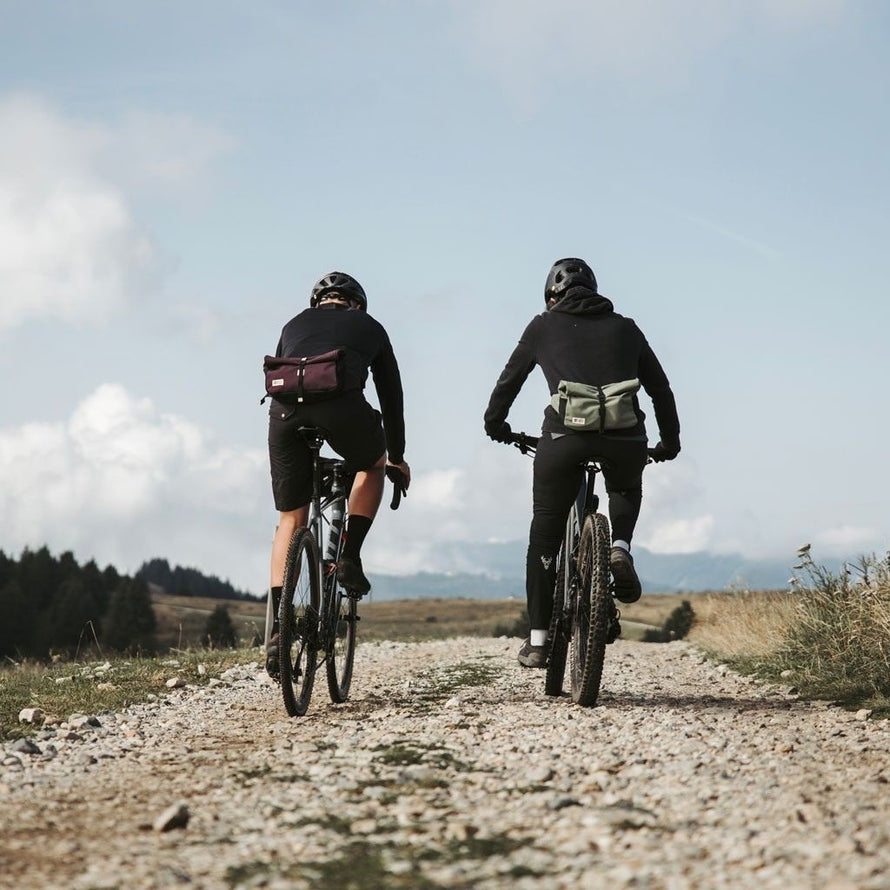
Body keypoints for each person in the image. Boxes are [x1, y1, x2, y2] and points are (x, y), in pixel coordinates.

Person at [484, 257, 680, 668]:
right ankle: (620, 546)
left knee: (544, 535)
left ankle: (538, 642)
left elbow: (510, 379)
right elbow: (660, 388)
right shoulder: (626, 327)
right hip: (625, 437)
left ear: (552, 296)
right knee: (624, 487)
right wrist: (669, 441)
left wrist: (496, 423)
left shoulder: (542, 325)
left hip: (563, 438)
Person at [266, 271, 410, 674]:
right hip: (343, 409)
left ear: (318, 302)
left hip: (285, 414)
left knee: (290, 518)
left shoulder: (293, 323)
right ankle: (349, 557)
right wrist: (395, 455)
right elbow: (391, 397)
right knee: (371, 464)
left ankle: (279, 627)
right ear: (357, 304)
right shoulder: (370, 326)